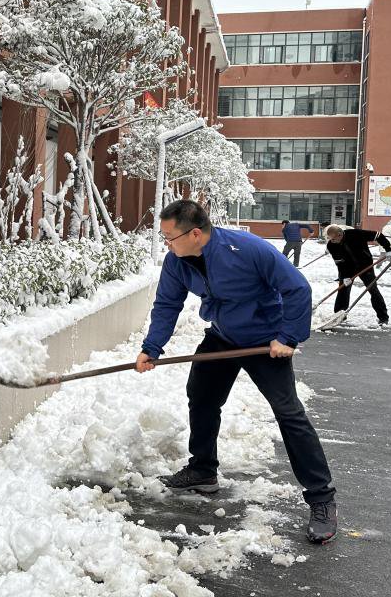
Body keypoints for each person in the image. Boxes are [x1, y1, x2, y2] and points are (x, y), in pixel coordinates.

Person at [137, 199, 338, 544]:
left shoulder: (248, 250)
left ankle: (322, 498)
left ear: (195, 233)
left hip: (265, 340)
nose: (165, 243)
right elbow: (167, 303)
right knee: (201, 398)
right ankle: (203, 469)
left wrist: (288, 336)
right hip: (223, 336)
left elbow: (297, 288)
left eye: (169, 237)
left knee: (289, 414)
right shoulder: (177, 261)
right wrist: (151, 347)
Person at [324, 224, 391, 325]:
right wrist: (344, 276)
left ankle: (383, 317)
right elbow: (339, 263)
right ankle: (339, 315)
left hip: (365, 266)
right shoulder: (331, 245)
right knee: (343, 289)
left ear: (339, 235)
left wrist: (388, 249)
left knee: (373, 289)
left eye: (333, 239)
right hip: (348, 269)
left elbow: (378, 235)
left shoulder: (356, 234)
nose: (331, 241)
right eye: (330, 239)